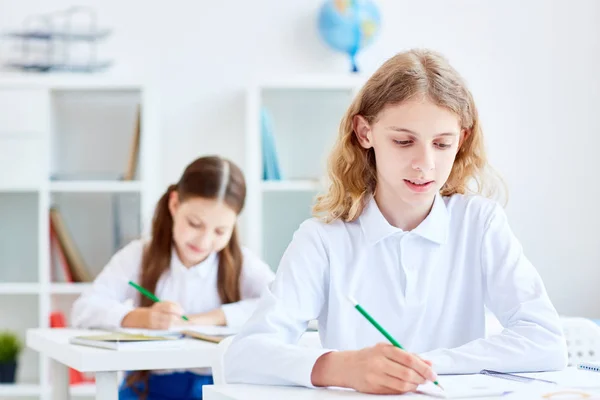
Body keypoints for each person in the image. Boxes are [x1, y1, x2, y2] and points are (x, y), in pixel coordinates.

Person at [223, 49, 567, 395]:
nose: (424, 164)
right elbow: (244, 356)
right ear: (364, 133)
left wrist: (423, 366)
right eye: (403, 141)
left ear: (461, 140)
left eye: (442, 144)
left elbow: (546, 340)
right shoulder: (324, 240)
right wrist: (342, 368)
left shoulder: (479, 223)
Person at [71, 155, 275, 400]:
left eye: (220, 231)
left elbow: (279, 306)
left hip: (218, 386)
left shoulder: (241, 261)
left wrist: (212, 318)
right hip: (147, 388)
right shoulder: (139, 255)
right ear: (175, 204)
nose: (204, 241)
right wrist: (141, 317)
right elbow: (84, 309)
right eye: (195, 223)